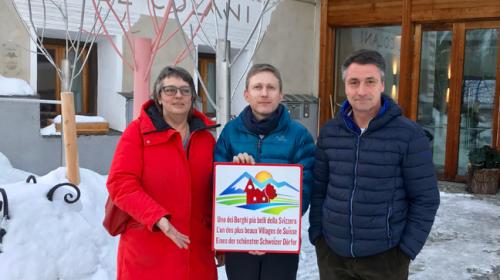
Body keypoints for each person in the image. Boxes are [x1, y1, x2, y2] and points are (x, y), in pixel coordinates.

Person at [309, 49, 440, 280]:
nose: (361, 91)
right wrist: (318, 236)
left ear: (382, 85)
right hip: (333, 256)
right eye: (354, 82)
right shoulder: (330, 132)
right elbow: (319, 190)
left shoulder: (408, 135)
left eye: (370, 82)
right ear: (345, 86)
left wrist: (405, 251)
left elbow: (425, 198)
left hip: (385, 258)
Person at [106, 66, 220, 279]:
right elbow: (120, 182)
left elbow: (215, 191)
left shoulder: (206, 138)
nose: (178, 96)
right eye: (170, 90)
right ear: (159, 97)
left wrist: (222, 240)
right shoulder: (137, 132)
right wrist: (157, 217)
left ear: (192, 98)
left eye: (185, 91)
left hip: (196, 250)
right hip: (148, 245)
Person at [214, 63, 315, 280]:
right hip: (240, 241)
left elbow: (305, 188)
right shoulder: (230, 133)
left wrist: (267, 233)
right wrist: (233, 171)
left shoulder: (299, 135)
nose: (264, 93)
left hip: (280, 241)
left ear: (281, 95)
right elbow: (216, 182)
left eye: (271, 87)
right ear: (246, 94)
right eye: (257, 87)